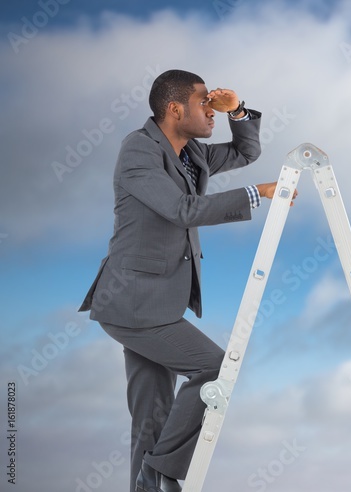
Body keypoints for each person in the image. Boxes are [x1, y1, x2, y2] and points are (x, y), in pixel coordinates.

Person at [79, 69, 290, 492]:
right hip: (132, 303)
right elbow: (183, 210)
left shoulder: (191, 152)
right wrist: (258, 193)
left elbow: (245, 152)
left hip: (158, 301)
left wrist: (237, 110)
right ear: (175, 109)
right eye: (203, 102)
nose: (211, 110)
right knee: (214, 367)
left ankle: (148, 480)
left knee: (152, 419)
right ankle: (160, 472)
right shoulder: (139, 151)